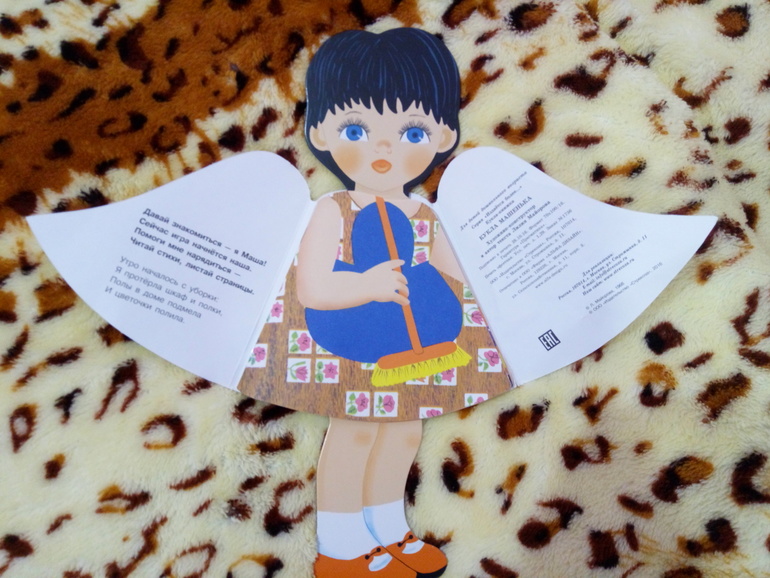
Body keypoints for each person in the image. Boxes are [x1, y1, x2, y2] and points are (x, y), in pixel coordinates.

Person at [300, 29, 468, 577]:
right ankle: (340, 546)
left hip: (415, 347)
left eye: (412, 131)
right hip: (351, 343)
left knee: (404, 431)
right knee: (356, 430)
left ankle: (388, 530)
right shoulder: (333, 210)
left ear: (444, 135)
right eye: (356, 130)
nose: (383, 149)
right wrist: (367, 285)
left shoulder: (426, 215)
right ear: (320, 132)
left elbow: (462, 274)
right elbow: (312, 289)